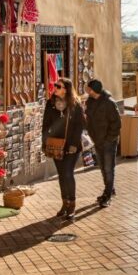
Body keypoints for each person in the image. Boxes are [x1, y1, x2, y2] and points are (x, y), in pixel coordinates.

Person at [42, 78, 85, 220]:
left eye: (58, 86)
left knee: (68, 173)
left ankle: (72, 204)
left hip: (71, 146)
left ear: (66, 89)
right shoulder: (50, 104)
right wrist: (45, 142)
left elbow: (80, 126)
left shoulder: (75, 104)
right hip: (56, 145)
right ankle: (64, 203)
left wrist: (73, 144)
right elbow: (45, 124)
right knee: (61, 174)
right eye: (55, 85)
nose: (55, 88)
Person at [85, 79, 122, 208]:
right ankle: (109, 189)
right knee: (102, 167)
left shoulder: (109, 103)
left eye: (87, 88)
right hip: (97, 141)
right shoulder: (90, 102)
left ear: (93, 90)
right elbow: (89, 120)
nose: (86, 90)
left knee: (108, 168)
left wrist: (109, 139)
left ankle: (107, 195)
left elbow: (117, 124)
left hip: (108, 142)